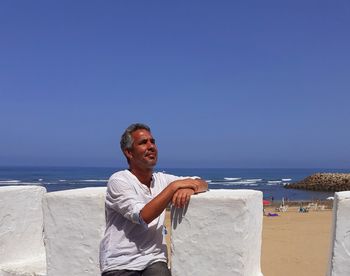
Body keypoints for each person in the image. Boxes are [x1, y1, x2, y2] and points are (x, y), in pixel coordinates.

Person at [99, 123, 208, 276]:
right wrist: (174, 187)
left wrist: (188, 188)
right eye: (143, 143)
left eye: (153, 142)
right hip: (120, 263)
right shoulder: (119, 180)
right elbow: (143, 216)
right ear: (129, 153)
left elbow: (202, 182)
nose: (151, 146)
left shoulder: (161, 180)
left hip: (153, 260)